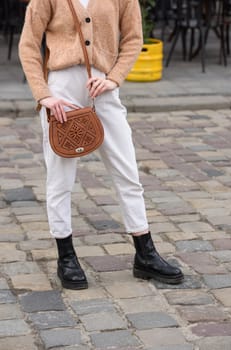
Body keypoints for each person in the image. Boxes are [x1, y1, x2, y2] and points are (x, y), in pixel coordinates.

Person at [19, 0, 184, 290]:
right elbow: (29, 44)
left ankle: (145, 254)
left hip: (104, 89)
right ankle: (66, 257)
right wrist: (43, 95)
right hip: (62, 94)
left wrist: (115, 78)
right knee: (60, 179)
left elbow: (133, 39)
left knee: (127, 172)